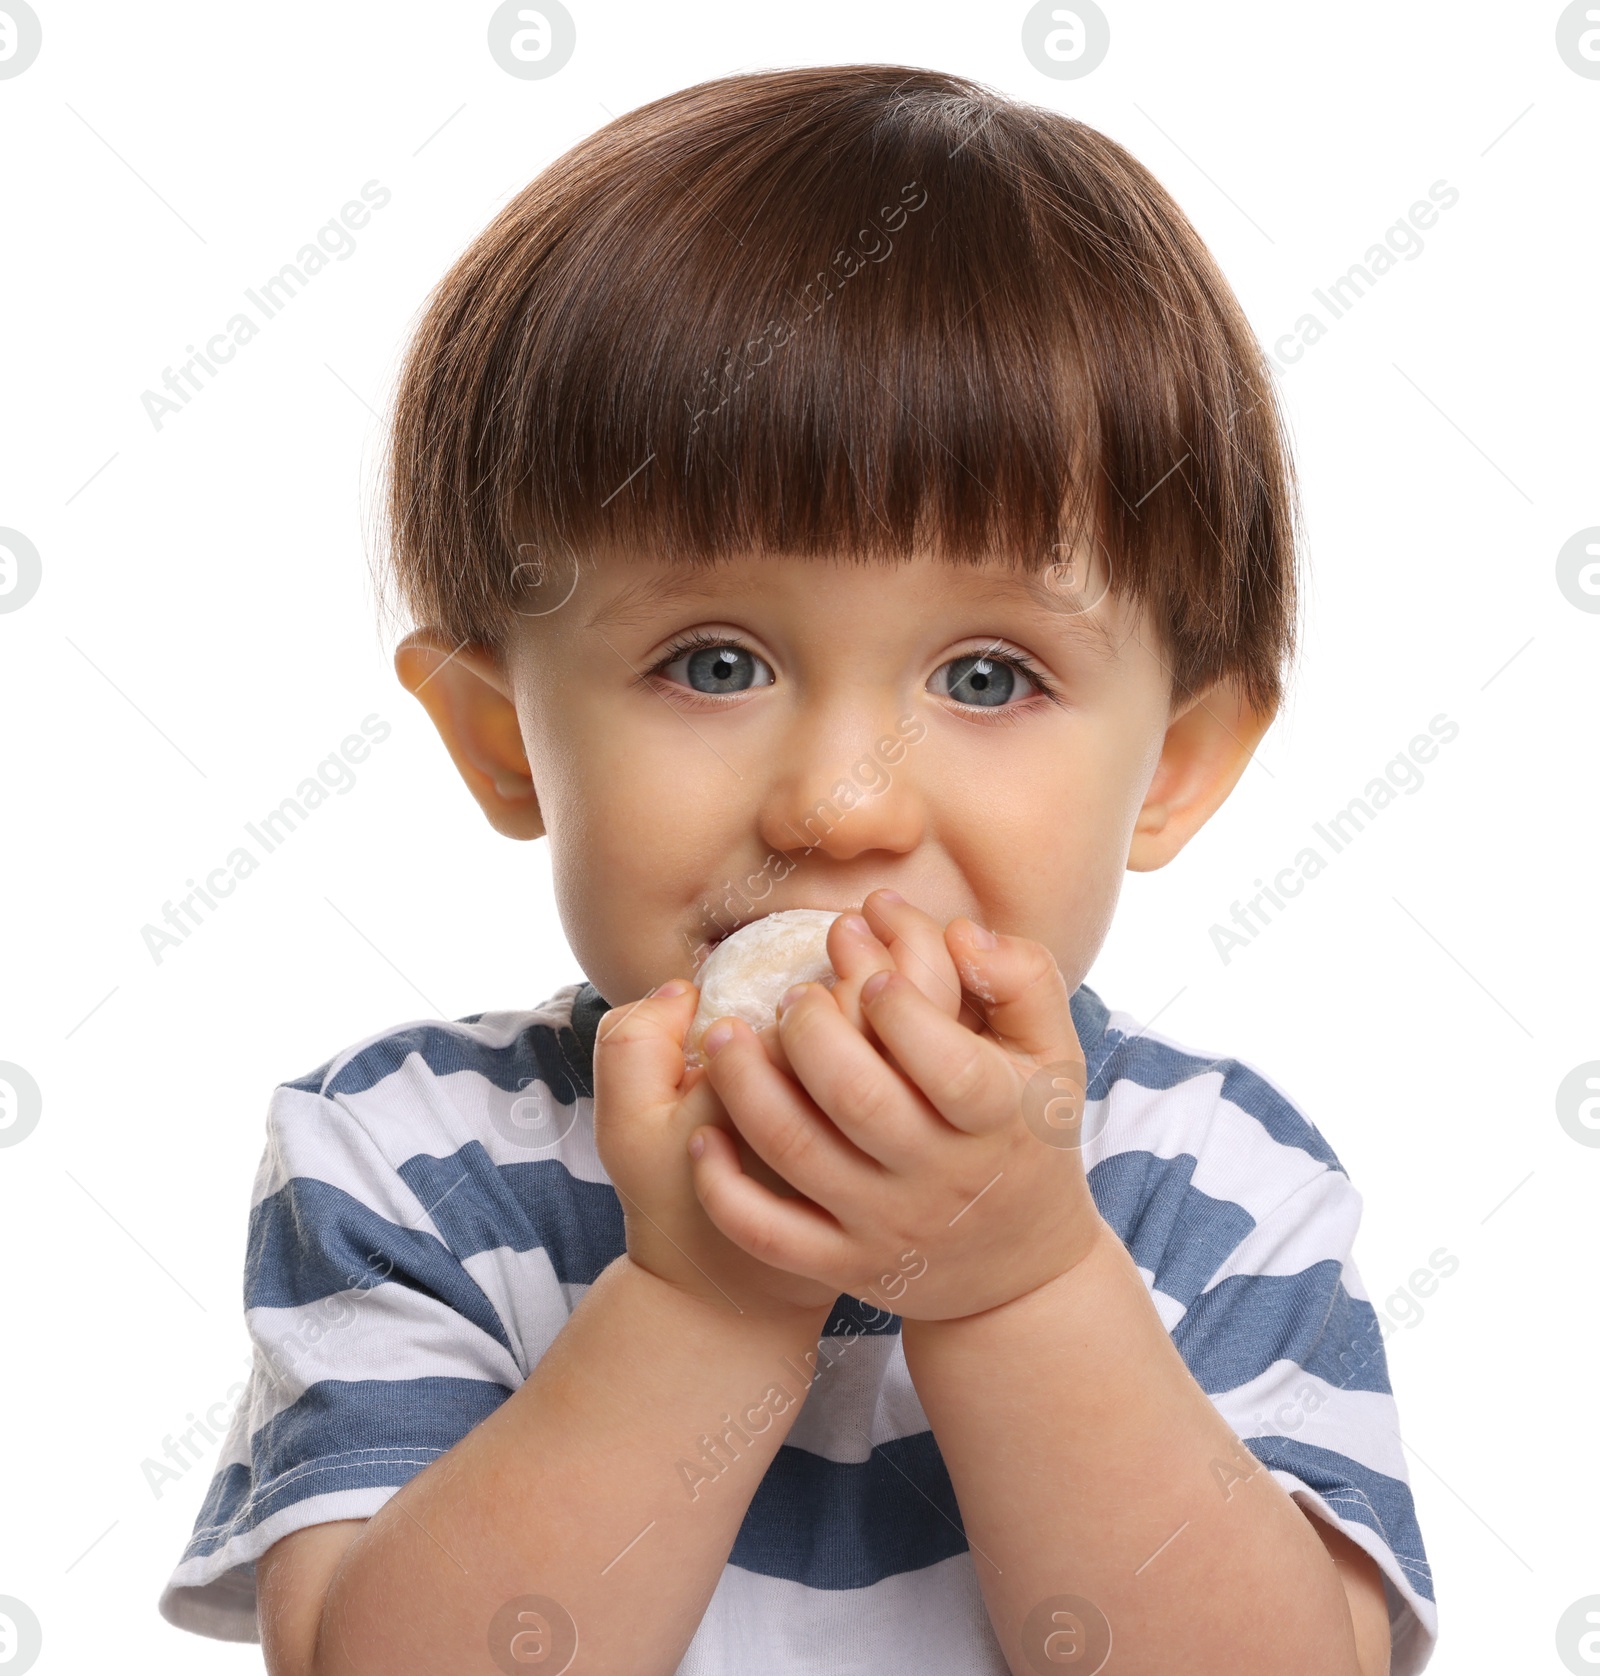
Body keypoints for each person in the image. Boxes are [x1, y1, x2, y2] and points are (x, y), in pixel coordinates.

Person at [159, 63, 1435, 1675]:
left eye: (985, 677)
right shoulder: (408, 1160)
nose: (840, 806)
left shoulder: (1219, 1182)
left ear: (1172, 768)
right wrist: (702, 1304)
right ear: (502, 739)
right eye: (712, 662)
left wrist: (1020, 1282)